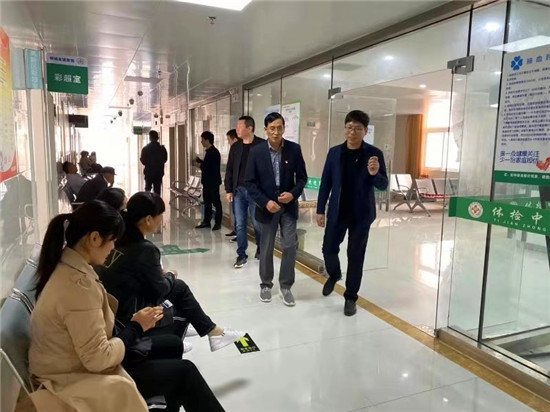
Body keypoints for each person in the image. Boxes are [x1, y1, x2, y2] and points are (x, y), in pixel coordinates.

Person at [29, 201, 226, 412]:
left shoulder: (69, 267)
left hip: (78, 361)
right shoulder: (77, 288)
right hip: (77, 376)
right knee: (185, 372)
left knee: (173, 344)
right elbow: (98, 359)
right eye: (112, 240)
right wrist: (136, 326)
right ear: (94, 238)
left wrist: (135, 326)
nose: (113, 248)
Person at [98, 191, 245, 352]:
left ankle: (210, 330)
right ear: (148, 219)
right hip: (126, 313)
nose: (162, 219)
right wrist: (170, 275)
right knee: (178, 289)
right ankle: (203, 332)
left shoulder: (119, 237)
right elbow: (159, 289)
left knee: (178, 288)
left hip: (112, 305)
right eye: (160, 215)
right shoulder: (144, 249)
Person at [317, 110, 388, 316]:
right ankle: (334, 274)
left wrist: (374, 173)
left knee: (356, 255)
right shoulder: (334, 153)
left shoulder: (374, 154)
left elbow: (383, 185)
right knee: (328, 249)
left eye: (358, 128)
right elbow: (326, 183)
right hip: (337, 211)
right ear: (344, 129)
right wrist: (320, 210)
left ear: (365, 131)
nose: (352, 132)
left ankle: (350, 297)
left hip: (361, 214)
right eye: (349, 127)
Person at [246, 112, 307, 306]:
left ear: (284, 128)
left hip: (288, 206)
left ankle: (286, 285)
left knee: (289, 245)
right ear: (265, 130)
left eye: (279, 128)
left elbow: (302, 178)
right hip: (267, 207)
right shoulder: (256, 152)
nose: (276, 132)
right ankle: (266, 284)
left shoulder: (294, 149)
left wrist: (293, 194)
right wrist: (265, 202)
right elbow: (250, 182)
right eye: (272, 128)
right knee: (266, 247)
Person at [224, 116, 264, 268]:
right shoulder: (236, 147)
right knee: (240, 224)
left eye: (240, 127)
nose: (237, 130)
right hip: (239, 191)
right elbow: (230, 169)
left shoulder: (262, 145)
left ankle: (261, 247)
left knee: (257, 223)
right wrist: (229, 189)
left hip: (256, 192)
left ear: (250, 128)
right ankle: (241, 254)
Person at [194, 131, 222, 231]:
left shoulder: (213, 152)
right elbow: (207, 164)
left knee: (216, 202)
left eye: (202, 140)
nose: (201, 142)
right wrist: (200, 161)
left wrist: (199, 165)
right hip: (207, 182)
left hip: (212, 182)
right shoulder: (209, 152)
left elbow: (208, 167)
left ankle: (218, 223)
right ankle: (207, 221)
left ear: (207, 140)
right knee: (207, 202)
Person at [140, 130, 167, 195]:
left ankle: (147, 200)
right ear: (157, 138)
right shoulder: (162, 149)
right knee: (157, 190)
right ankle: (157, 201)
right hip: (159, 172)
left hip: (149, 172)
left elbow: (143, 161)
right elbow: (165, 159)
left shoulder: (146, 149)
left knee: (148, 189)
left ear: (150, 138)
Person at [225, 129, 239, 238]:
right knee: (236, 212)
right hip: (234, 188)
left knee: (240, 213)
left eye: (229, 140)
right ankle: (237, 231)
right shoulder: (234, 151)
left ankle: (239, 233)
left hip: (240, 189)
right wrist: (229, 189)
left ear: (235, 139)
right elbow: (229, 170)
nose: (228, 143)